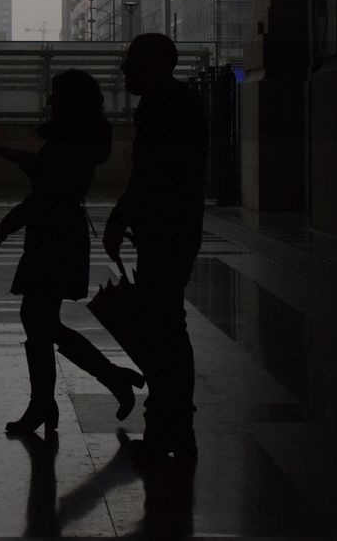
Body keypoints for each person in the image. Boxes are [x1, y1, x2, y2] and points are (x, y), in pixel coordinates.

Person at [0, 69, 145, 435]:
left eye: (55, 97)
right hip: (60, 232)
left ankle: (54, 400)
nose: (49, 103)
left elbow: (48, 188)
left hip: (53, 234)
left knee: (38, 319)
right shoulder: (79, 137)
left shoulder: (69, 141)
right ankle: (86, 387)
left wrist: (9, 219)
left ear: (70, 102)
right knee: (41, 321)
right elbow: (52, 182)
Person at [103, 33, 206, 462]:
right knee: (166, 327)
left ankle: (170, 428)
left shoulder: (162, 106)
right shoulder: (176, 101)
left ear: (154, 65)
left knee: (163, 331)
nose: (125, 70)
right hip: (172, 229)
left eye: (132, 62)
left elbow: (151, 173)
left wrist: (121, 216)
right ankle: (171, 427)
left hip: (165, 232)